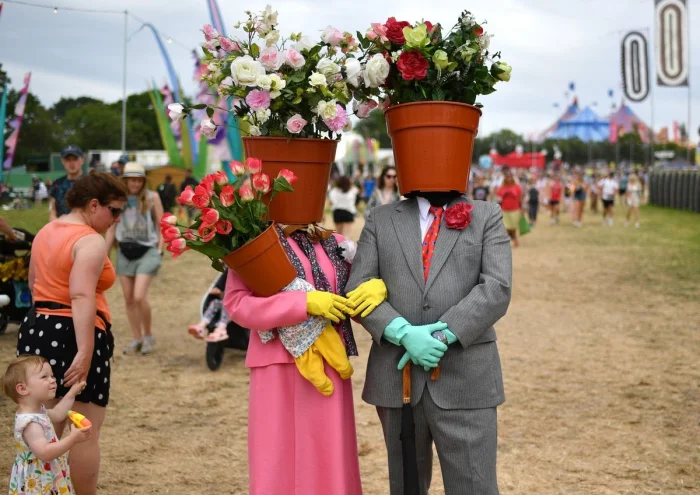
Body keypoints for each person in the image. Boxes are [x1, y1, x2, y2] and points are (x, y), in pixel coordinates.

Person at [347, 183, 512, 495]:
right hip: (398, 379)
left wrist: (441, 335)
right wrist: (401, 332)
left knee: (474, 486)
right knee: (405, 485)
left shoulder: (487, 215)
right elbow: (359, 286)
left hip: (466, 378)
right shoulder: (381, 218)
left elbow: (497, 288)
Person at [224, 222, 374, 493]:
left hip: (329, 363)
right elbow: (237, 304)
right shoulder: (254, 241)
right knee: (276, 456)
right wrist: (302, 303)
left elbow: (355, 299)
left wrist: (375, 289)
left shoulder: (336, 243)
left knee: (328, 454)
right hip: (276, 366)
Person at [18, 171, 127, 495]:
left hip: (37, 327)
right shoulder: (89, 240)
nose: (117, 219)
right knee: (84, 432)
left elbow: (33, 284)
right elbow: (80, 295)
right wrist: (85, 350)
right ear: (94, 205)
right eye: (114, 210)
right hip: (74, 332)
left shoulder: (45, 231)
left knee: (43, 428)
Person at [2, 356, 92, 494]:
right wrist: (72, 439)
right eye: (44, 377)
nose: (53, 380)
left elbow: (58, 414)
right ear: (23, 388)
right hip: (38, 482)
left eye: (52, 375)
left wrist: (72, 393)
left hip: (46, 475)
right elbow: (45, 453)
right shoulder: (31, 423)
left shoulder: (38, 411)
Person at [105, 163, 164, 356]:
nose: (136, 184)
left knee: (139, 296)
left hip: (147, 250)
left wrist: (160, 249)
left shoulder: (152, 197)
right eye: (132, 180)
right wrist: (105, 254)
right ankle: (137, 337)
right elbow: (111, 228)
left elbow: (162, 224)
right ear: (125, 181)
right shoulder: (117, 200)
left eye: (139, 180)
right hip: (125, 250)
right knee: (129, 299)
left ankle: (148, 335)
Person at [188, 269, 232, 343]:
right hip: (225, 301)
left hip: (234, 305)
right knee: (215, 303)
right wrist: (219, 292)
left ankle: (222, 329)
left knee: (226, 303)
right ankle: (201, 326)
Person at [50, 145, 85, 220]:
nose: (71, 163)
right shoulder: (57, 184)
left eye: (75, 159)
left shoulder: (91, 182)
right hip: (61, 225)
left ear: (82, 160)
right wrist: (56, 224)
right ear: (62, 161)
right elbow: (53, 210)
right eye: (68, 160)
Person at [497, 169, 523, 247]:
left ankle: (515, 240)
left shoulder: (517, 187)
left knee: (513, 226)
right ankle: (507, 241)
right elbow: (499, 198)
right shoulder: (502, 187)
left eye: (510, 177)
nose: (509, 178)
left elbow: (520, 198)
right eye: (507, 177)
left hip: (515, 209)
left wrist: (522, 208)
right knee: (506, 227)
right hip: (505, 209)